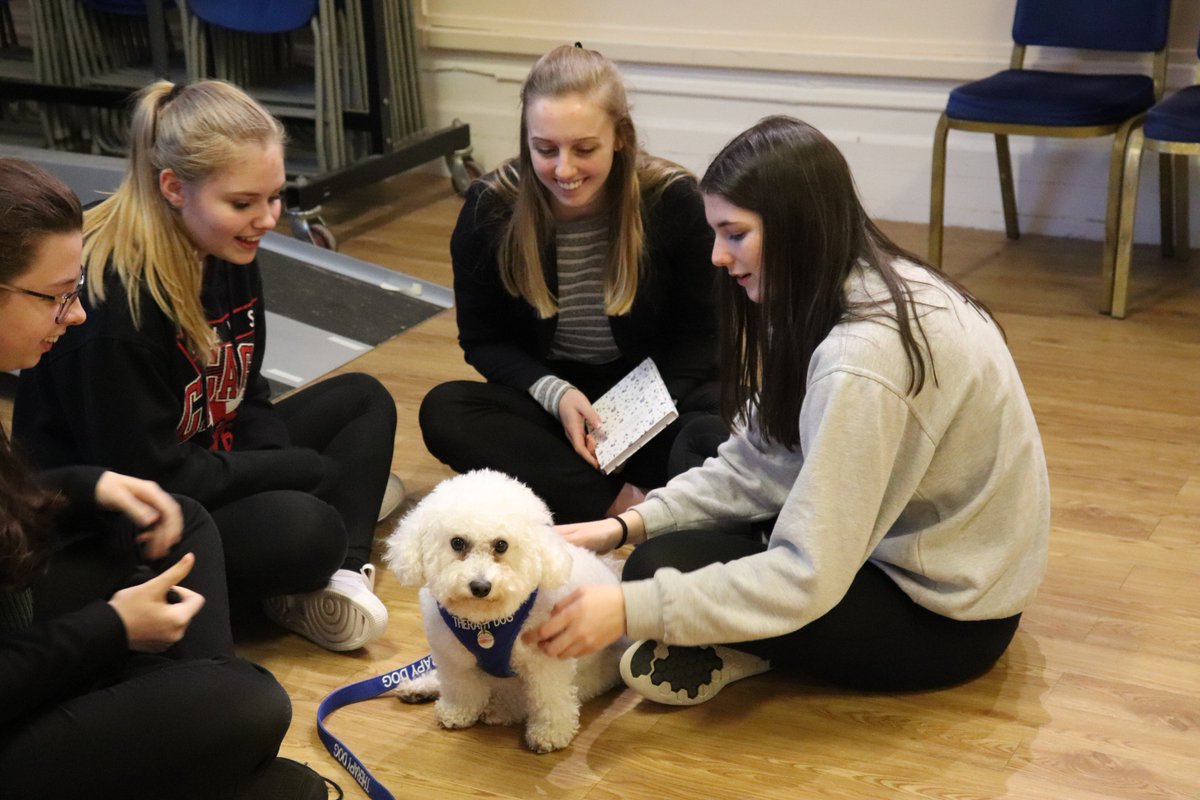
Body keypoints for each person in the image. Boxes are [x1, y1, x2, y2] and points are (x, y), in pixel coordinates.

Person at [527, 116, 1051, 705]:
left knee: (655, 570)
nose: (718, 257)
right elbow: (759, 460)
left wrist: (631, 605)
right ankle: (731, 632)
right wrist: (622, 524)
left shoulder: (862, 359)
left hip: (945, 621)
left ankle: (738, 645)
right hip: (913, 549)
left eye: (734, 234)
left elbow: (810, 574)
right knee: (701, 441)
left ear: (795, 228)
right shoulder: (843, 283)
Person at [13, 80, 398, 653]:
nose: (267, 219)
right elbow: (154, 479)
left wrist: (278, 461)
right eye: (243, 202)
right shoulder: (114, 309)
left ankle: (340, 577)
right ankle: (310, 560)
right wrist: (297, 471)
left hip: (204, 457)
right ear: (173, 187)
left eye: (274, 197)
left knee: (364, 399)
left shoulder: (224, 242)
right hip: (131, 518)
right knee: (307, 525)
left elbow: (248, 390)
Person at [0, 157, 332, 798]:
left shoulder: (232, 273)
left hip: (20, 628)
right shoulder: (121, 323)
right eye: (57, 296)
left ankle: (189, 740)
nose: (74, 315)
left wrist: (89, 486)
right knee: (257, 720)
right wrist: (114, 628)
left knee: (182, 520)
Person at [419, 44, 721, 523]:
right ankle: (626, 505)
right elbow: (484, 340)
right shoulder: (489, 209)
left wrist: (624, 422)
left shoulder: (673, 200)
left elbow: (702, 341)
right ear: (526, 140)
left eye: (584, 149)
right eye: (545, 149)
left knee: (727, 420)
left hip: (652, 397)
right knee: (446, 411)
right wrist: (555, 395)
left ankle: (569, 488)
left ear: (621, 137)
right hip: (553, 403)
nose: (564, 170)